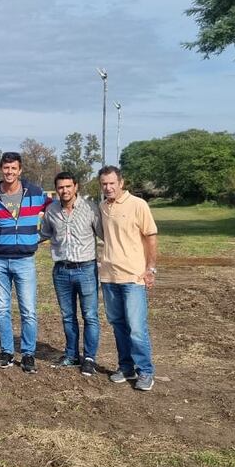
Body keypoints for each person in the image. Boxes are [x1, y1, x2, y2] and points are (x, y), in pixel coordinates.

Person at [0, 151, 51, 373]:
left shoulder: (36, 193)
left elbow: (57, 211)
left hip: (24, 260)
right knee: (2, 308)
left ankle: (29, 353)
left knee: (28, 309)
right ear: (1, 169)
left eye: (14, 168)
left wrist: (39, 236)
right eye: (6, 168)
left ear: (20, 170)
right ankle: (6, 352)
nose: (9, 172)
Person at [97, 165, 159, 391]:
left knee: (136, 327)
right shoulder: (102, 207)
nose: (108, 187)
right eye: (104, 184)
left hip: (133, 277)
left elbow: (151, 236)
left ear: (121, 183)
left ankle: (145, 371)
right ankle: (126, 367)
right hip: (109, 276)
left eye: (112, 183)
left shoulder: (138, 205)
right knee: (118, 324)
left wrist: (150, 269)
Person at [40, 171, 102, 376]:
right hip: (61, 270)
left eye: (68, 186)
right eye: (60, 187)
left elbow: (104, 234)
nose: (64, 190)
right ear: (56, 189)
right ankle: (71, 354)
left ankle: (90, 358)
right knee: (68, 316)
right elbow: (44, 234)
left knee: (90, 315)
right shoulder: (51, 211)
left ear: (76, 187)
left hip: (85, 269)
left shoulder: (90, 209)